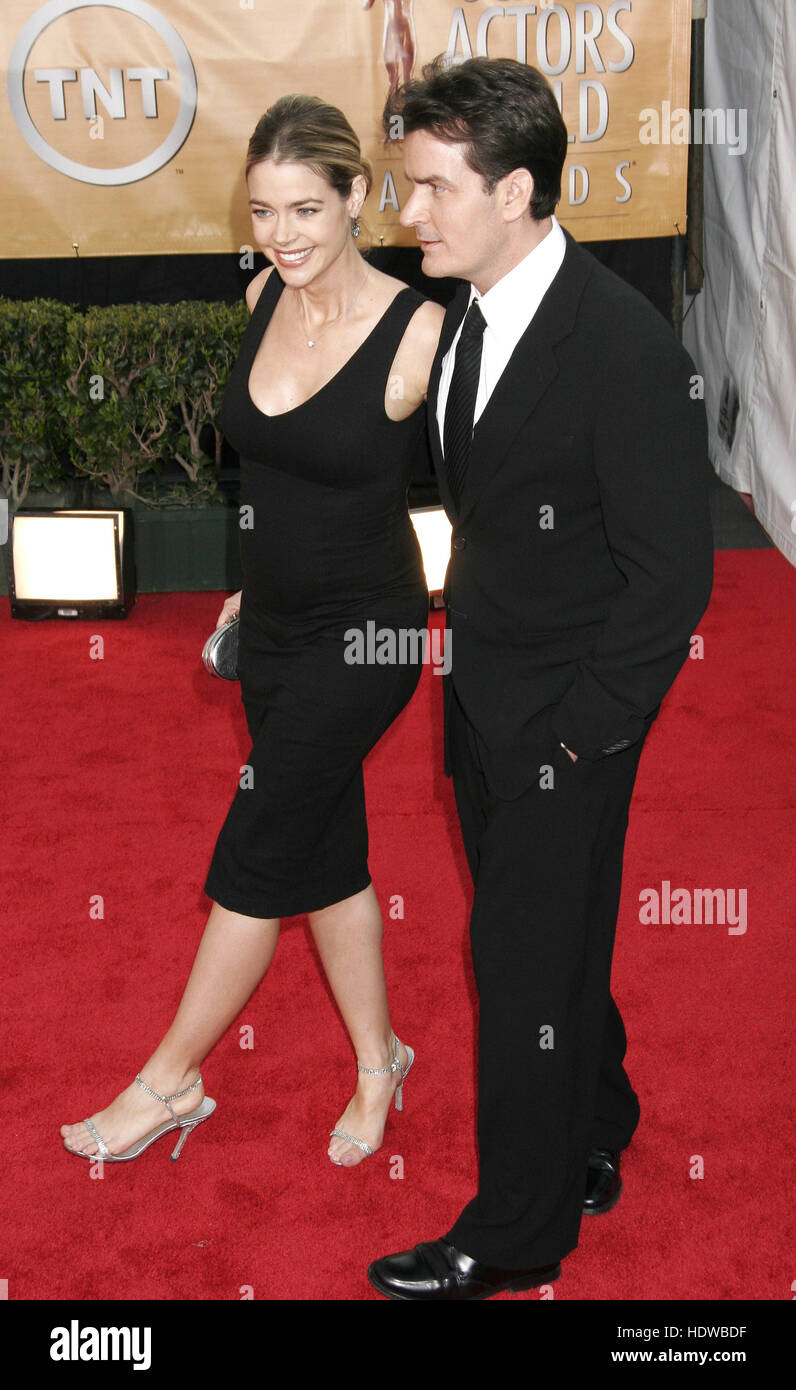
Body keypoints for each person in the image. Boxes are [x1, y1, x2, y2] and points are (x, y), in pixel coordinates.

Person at [368, 56, 714, 1299]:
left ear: (514, 191)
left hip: (567, 725)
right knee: (549, 940)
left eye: (432, 190)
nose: (410, 214)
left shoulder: (622, 348)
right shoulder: (466, 310)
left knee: (515, 967)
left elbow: (672, 578)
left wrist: (577, 736)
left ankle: (516, 1232)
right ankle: (601, 1114)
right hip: (482, 703)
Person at [60, 94, 444, 1171]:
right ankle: (382, 1059)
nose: (282, 235)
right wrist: (246, 585)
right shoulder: (261, 296)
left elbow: (498, 491)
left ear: (359, 199)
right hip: (271, 625)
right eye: (265, 210)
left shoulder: (419, 330)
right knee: (325, 853)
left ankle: (168, 1080)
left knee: (255, 848)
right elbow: (264, 474)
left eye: (307, 210)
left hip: (367, 635)